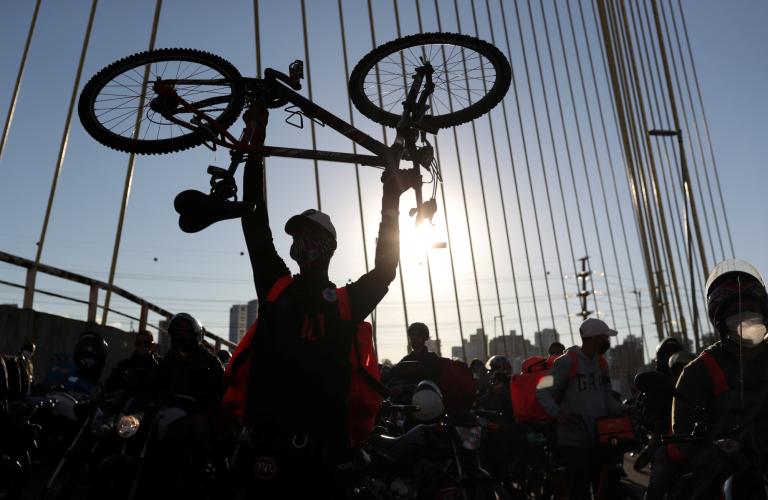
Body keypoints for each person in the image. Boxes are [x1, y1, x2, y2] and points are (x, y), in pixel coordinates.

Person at [239, 104, 412, 498]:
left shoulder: (345, 302)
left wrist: (391, 198)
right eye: (298, 236)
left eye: (312, 234)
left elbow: (386, 268)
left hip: (327, 443)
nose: (303, 242)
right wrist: (255, 148)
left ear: (330, 246)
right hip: (268, 439)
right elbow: (254, 221)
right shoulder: (276, 286)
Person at [671, 259, 768, 497]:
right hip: (729, 469)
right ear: (720, 320)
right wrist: (714, 447)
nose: (745, 320)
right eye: (736, 313)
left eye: (751, 310)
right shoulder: (699, 370)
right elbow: (681, 431)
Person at [536, 318, 627, 500]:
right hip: (573, 440)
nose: (607, 342)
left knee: (604, 487)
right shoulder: (566, 362)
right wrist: (558, 413)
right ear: (594, 338)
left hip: (599, 437)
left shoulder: (601, 364)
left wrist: (624, 410)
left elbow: (607, 398)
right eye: (605, 338)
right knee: (579, 491)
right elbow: (541, 390)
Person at [104, 330, 159, 399]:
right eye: (139, 343)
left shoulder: (158, 366)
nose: (143, 346)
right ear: (135, 345)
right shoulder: (124, 364)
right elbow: (109, 387)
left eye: (147, 343)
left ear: (152, 345)